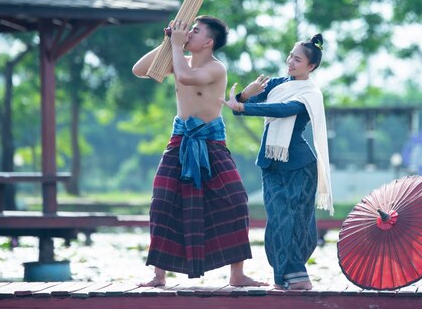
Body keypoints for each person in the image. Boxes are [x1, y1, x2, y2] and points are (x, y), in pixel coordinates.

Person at [132, 15, 265, 287]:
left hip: (211, 142)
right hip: (180, 140)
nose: (188, 33)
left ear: (208, 42)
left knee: (235, 200)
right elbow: (139, 69)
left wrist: (177, 48)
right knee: (162, 202)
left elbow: (186, 77)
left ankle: (237, 274)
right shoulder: (178, 58)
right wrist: (167, 42)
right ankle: (159, 275)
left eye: (194, 31)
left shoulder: (217, 68)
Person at [222, 34, 333, 290]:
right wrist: (245, 96)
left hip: (300, 166)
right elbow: (244, 105)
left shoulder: (310, 93)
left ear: (311, 66)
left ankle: (294, 277)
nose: (290, 62)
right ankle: (287, 278)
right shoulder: (277, 84)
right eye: (290, 56)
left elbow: (282, 109)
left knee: (297, 221)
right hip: (271, 163)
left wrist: (243, 107)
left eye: (297, 59)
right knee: (277, 221)